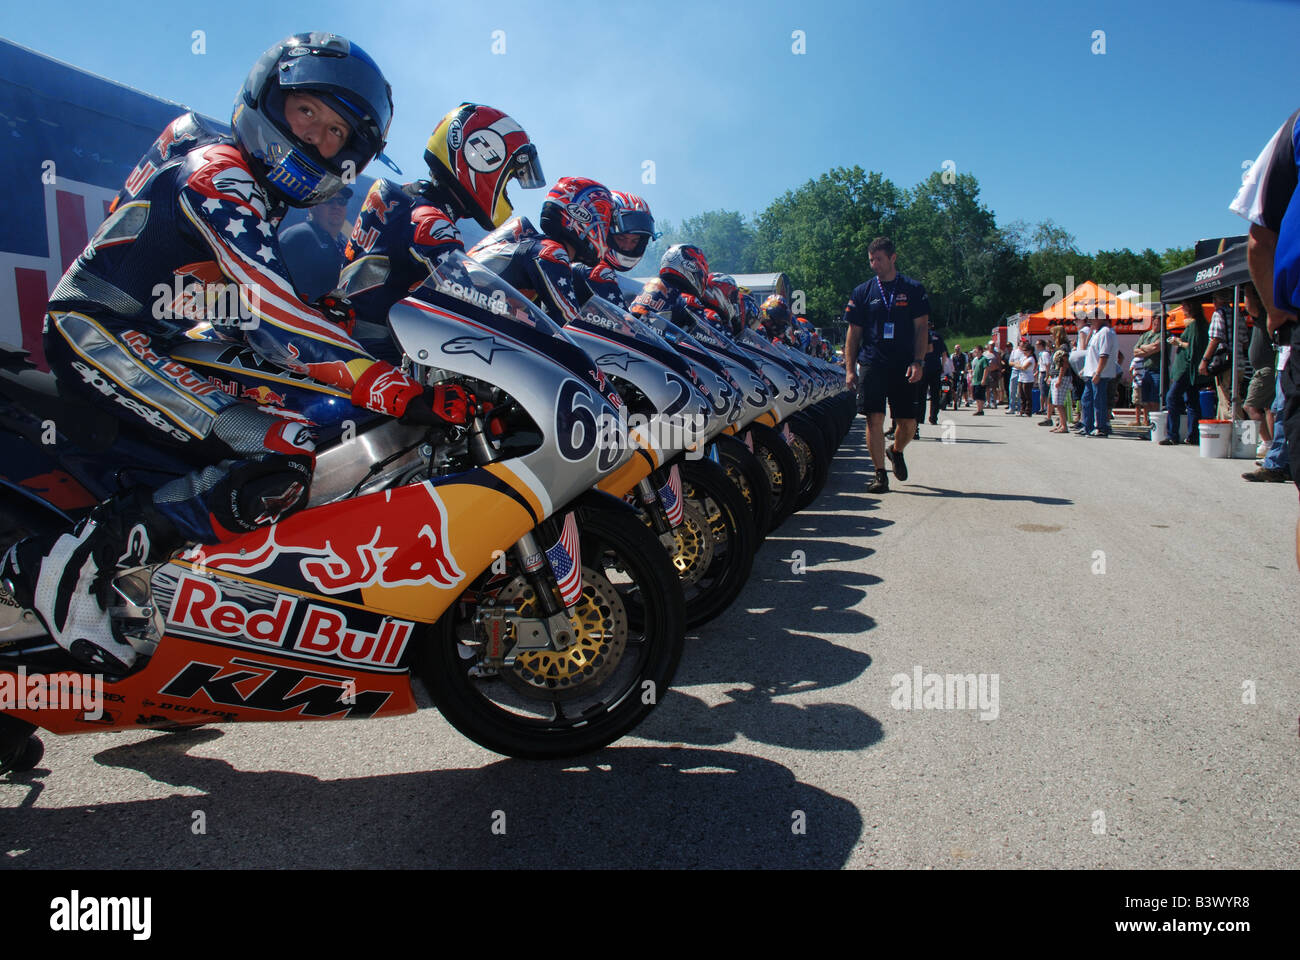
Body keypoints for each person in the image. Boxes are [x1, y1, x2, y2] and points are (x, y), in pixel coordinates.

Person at [0, 33, 466, 674]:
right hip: (99, 331)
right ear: (269, 94)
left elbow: (247, 312)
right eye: (308, 113)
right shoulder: (220, 174)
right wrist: (394, 388)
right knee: (284, 446)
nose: (315, 140)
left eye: (336, 134)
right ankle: (71, 567)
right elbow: (275, 310)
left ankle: (157, 614)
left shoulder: (241, 183)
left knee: (286, 434)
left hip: (156, 339)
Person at [341, 101, 545, 335]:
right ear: (481, 159)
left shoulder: (404, 197)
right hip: (378, 349)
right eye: (508, 181)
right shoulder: (432, 222)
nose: (506, 193)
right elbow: (469, 300)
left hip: (354, 329)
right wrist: (524, 317)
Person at [1230, 106, 1300, 530]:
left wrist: (1275, 307)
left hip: (1291, 333)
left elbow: (1259, 238)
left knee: (1260, 404)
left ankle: (1274, 455)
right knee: (1261, 404)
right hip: (1284, 343)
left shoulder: (1293, 128)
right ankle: (1274, 455)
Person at [843, 237, 931, 493]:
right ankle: (879, 473)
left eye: (879, 259)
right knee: (874, 418)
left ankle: (896, 450)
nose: (874, 265)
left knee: (908, 423)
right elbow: (853, 333)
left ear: (893, 258)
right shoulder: (863, 292)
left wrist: (918, 361)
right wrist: (850, 369)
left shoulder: (913, 289)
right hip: (872, 362)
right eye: (871, 260)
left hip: (904, 363)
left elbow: (921, 328)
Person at [468, 176, 615, 325]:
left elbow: (544, 323)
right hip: (471, 323)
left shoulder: (530, 243)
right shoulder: (551, 253)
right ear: (582, 214)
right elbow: (572, 325)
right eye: (607, 224)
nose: (609, 235)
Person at [280, 184, 352, 300]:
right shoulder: (298, 236)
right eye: (329, 200)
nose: (336, 206)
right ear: (312, 206)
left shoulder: (345, 243)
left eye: (341, 201)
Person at [1161, 301, 1211, 446]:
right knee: (1192, 402)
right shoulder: (1199, 324)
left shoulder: (1195, 325)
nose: (1182, 309)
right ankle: (1193, 436)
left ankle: (1173, 435)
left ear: (1191, 307)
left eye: (1184, 306)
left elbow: (1193, 347)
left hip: (1187, 369)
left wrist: (1178, 342)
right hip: (1191, 370)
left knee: (1172, 398)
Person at [1241, 283, 1276, 457]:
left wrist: (1247, 285)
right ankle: (1273, 444)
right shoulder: (1267, 315)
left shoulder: (1263, 314)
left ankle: (1269, 443)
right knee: (1270, 408)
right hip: (1266, 368)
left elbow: (1250, 307)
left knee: (1250, 406)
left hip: (1264, 370)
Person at [1203, 289, 1246, 421]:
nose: (1213, 302)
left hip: (1225, 365)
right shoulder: (1238, 314)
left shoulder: (1218, 314)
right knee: (1235, 398)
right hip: (1239, 363)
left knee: (1226, 400)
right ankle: (1229, 432)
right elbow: (1245, 341)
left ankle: (1233, 433)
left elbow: (1216, 338)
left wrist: (1205, 360)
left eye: (1214, 299)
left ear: (1218, 300)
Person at [1079, 312, 1117, 436]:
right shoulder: (1096, 332)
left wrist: (1098, 372)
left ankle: (1101, 427)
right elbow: (1091, 353)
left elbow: (1104, 355)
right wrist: (1085, 368)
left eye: (1093, 320)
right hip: (1090, 372)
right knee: (1086, 399)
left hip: (1099, 374)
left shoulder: (1106, 332)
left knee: (1098, 400)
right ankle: (1087, 426)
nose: (1090, 322)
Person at [1131, 316, 1164, 429]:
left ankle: (1156, 426)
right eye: (1155, 321)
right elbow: (1135, 351)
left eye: (1159, 322)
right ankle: (1150, 424)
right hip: (1146, 370)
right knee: (1146, 400)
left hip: (1158, 370)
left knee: (1155, 400)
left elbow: (1156, 347)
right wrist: (1148, 349)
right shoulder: (1146, 335)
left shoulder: (1164, 334)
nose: (1157, 324)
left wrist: (1143, 348)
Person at [919, 322, 947, 424]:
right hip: (936, 367)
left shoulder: (921, 334)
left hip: (924, 366)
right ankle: (933, 418)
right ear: (932, 326)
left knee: (921, 393)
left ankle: (920, 417)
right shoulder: (938, 336)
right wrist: (943, 367)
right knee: (935, 394)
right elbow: (944, 354)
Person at [1014, 340, 1037, 416]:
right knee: (1022, 396)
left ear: (1030, 351)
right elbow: (1016, 364)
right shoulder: (1023, 357)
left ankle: (1028, 411)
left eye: (1025, 351)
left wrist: (1019, 366)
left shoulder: (1031, 359)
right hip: (1021, 378)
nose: (1024, 352)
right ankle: (1022, 410)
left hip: (1028, 379)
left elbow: (1024, 367)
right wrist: (1018, 366)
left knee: (1028, 396)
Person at [970, 344, 990, 415]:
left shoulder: (984, 359)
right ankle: (979, 409)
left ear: (981, 351)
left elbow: (986, 369)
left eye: (976, 351)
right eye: (975, 351)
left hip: (980, 380)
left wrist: (983, 379)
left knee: (979, 395)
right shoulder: (976, 360)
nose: (975, 353)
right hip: (975, 380)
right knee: (976, 395)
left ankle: (980, 410)